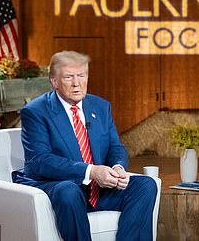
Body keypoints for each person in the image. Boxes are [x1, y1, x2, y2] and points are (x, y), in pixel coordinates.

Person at [12, 51, 157, 241]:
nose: (77, 83)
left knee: (146, 185)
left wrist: (118, 168)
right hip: (58, 185)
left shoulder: (100, 106)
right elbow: (40, 161)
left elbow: (115, 146)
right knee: (69, 191)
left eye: (81, 76)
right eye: (68, 77)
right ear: (54, 81)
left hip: (97, 189)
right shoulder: (36, 112)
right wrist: (91, 171)